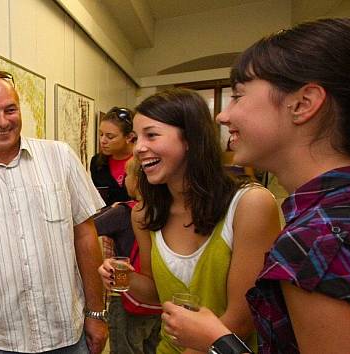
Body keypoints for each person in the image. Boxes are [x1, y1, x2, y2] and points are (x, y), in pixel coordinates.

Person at [160, 18, 350, 354]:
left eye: (238, 96)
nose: (222, 116)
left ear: (304, 103)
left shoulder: (318, 240)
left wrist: (216, 341)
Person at [0, 71, 108, 354]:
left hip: (66, 333)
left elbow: (86, 237)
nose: (3, 121)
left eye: (10, 109)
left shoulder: (60, 157)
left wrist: (96, 313)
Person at [98, 88, 281, 354]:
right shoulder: (144, 214)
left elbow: (243, 319)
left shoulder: (249, 205)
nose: (138, 149)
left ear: (190, 139)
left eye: (151, 135)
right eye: (136, 138)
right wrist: (122, 277)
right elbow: (155, 293)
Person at [94, 155, 162, 354]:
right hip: (158, 303)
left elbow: (89, 227)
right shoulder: (165, 211)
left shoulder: (124, 212)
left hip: (128, 298)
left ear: (138, 179)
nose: (123, 179)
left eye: (127, 174)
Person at [90, 107, 135, 205]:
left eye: (110, 137)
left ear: (129, 137)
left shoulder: (142, 161)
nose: (103, 141)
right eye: (101, 134)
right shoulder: (97, 163)